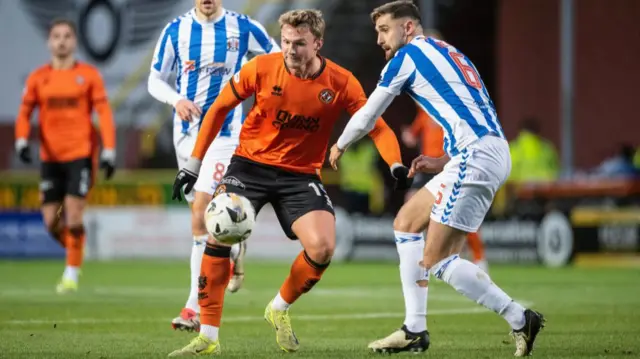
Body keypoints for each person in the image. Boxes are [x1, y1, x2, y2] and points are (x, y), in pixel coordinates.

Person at [169, 9, 412, 356]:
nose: (290, 50)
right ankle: (208, 337)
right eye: (285, 42)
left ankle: (278, 308)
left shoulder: (341, 82)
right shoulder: (261, 68)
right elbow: (219, 108)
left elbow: (377, 126)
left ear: (318, 43)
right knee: (218, 229)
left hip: (300, 175)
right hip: (249, 165)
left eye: (299, 43)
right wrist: (194, 164)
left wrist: (396, 163)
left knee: (323, 248)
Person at [329, 1, 544, 356]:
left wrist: (339, 145)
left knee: (439, 261)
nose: (380, 40)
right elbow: (471, 112)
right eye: (377, 32)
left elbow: (368, 114)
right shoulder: (450, 51)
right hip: (478, 151)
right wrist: (442, 159)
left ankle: (519, 317)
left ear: (409, 28)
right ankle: (414, 328)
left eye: (385, 30)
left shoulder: (408, 56)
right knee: (406, 222)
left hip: (475, 157)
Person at [148, 0, 280, 332]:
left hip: (226, 135)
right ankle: (234, 244)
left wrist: (263, 99)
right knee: (203, 221)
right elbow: (155, 80)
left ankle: (192, 307)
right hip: (187, 137)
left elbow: (278, 61)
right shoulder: (176, 30)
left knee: (202, 209)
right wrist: (176, 100)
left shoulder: (244, 27)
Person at [14, 18, 116, 294]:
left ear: (74, 42)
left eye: (67, 36)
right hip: (50, 158)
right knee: (50, 221)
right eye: (56, 36)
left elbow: (104, 113)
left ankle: (71, 274)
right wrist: (21, 140)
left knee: (73, 213)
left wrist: (109, 149)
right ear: (49, 42)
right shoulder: (38, 78)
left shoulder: (89, 75)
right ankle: (76, 249)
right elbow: (24, 113)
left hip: (81, 155)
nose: (61, 40)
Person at [404, 104, 489, 271]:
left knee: (462, 211)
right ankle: (424, 256)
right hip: (428, 166)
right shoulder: (424, 113)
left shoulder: (453, 111)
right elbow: (412, 135)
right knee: (412, 202)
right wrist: (408, 136)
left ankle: (479, 257)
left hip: (448, 164)